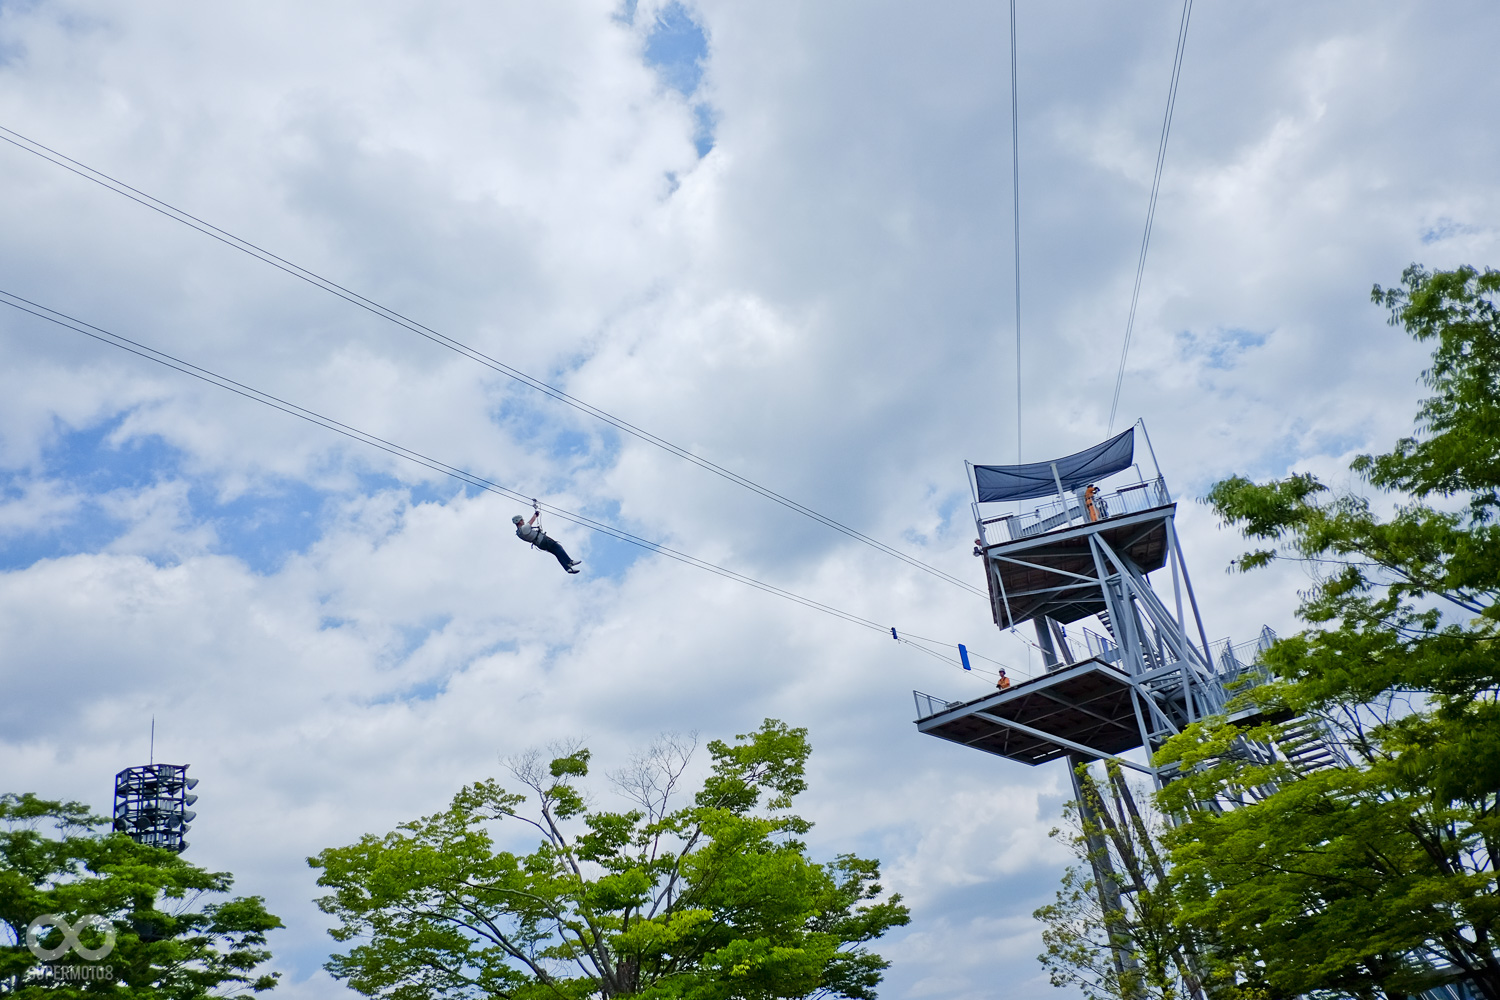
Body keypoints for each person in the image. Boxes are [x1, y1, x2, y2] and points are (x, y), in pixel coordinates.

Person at [513, 512, 582, 574]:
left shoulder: (519, 533)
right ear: (519, 521)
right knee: (558, 547)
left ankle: (568, 569)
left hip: (539, 545)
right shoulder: (524, 528)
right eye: (522, 520)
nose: (523, 521)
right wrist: (536, 514)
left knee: (557, 553)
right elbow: (531, 521)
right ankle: (569, 562)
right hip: (543, 540)